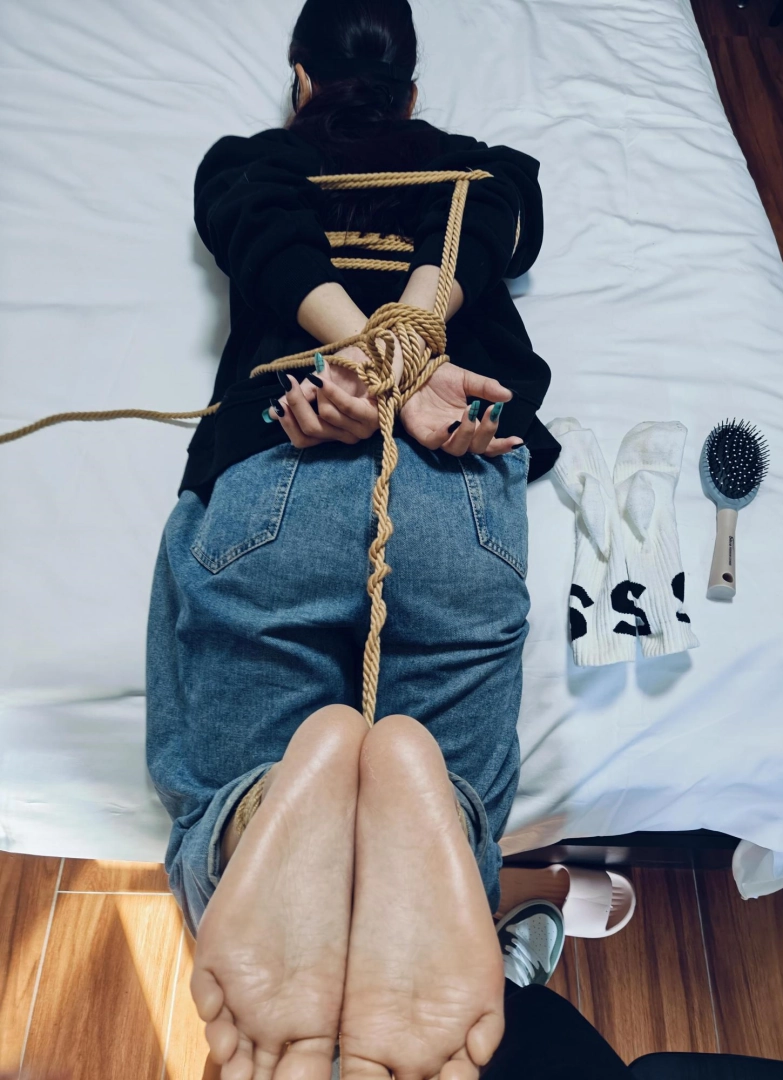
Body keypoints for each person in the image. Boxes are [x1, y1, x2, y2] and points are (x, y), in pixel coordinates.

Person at [145, 1, 560, 1076]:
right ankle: (424, 841)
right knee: (452, 788)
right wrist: (412, 373)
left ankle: (262, 821)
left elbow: (264, 238)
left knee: (232, 776)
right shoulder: (479, 168)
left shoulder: (252, 161)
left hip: (282, 456)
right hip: (454, 475)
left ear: (301, 79)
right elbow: (484, 226)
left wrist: (365, 372)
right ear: (411, 92)